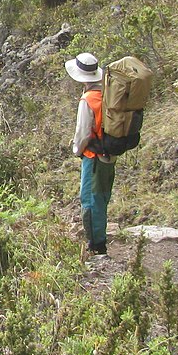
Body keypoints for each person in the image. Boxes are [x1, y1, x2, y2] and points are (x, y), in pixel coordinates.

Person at [66, 52, 113, 255]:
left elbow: (83, 133)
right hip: (109, 156)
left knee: (90, 200)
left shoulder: (88, 100)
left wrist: (77, 150)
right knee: (102, 197)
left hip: (93, 158)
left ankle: (97, 246)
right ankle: (99, 240)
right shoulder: (107, 95)